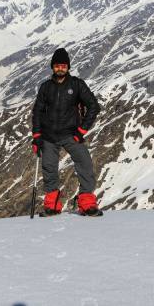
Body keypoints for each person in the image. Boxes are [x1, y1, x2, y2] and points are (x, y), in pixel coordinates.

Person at [30, 47, 102, 216]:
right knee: (49, 170)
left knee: (85, 164)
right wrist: (36, 136)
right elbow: (37, 112)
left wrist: (81, 131)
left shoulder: (77, 85)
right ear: (52, 67)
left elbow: (93, 106)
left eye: (63, 65)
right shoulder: (45, 87)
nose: (60, 68)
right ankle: (52, 206)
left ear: (68, 67)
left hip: (71, 135)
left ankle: (87, 204)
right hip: (48, 136)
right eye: (57, 66)